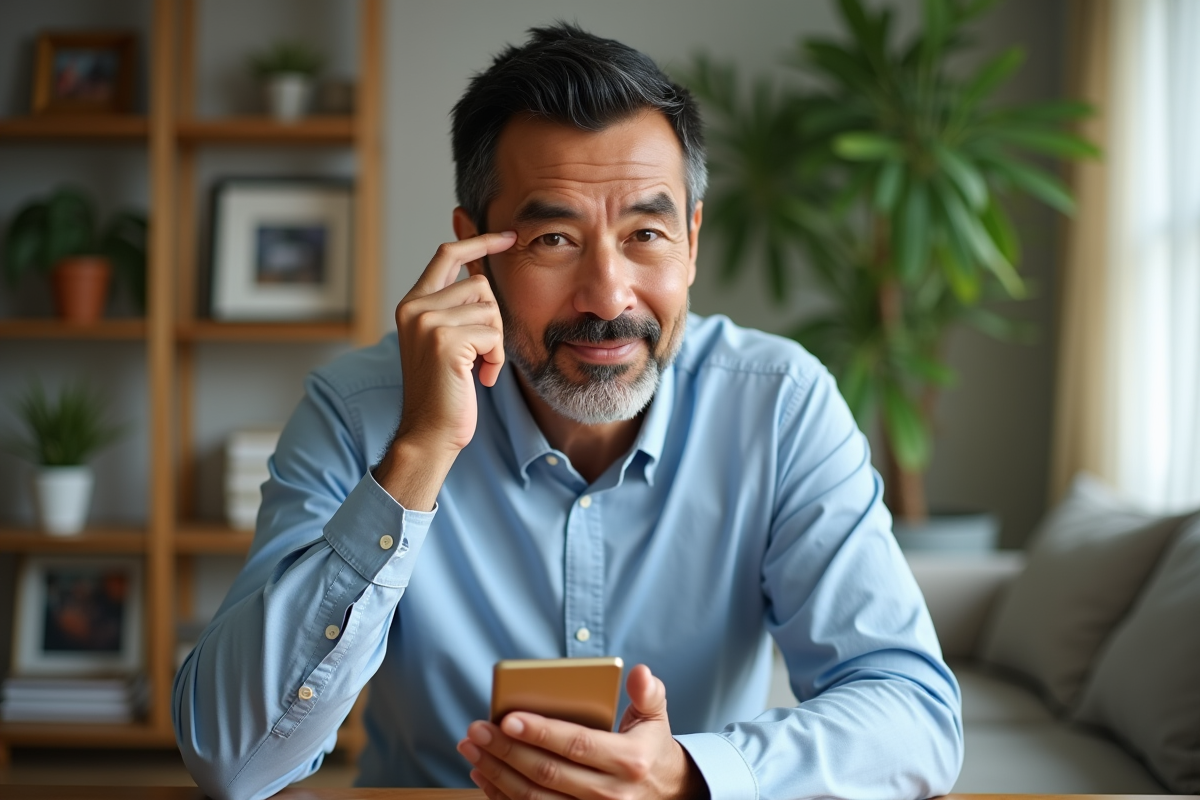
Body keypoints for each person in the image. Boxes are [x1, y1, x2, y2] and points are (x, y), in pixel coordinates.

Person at [174, 23, 963, 800]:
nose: (608, 297)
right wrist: (417, 454)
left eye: (645, 232)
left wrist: (687, 775)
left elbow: (915, 717)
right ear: (474, 248)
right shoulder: (359, 411)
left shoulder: (780, 406)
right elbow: (234, 763)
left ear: (691, 240)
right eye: (553, 238)